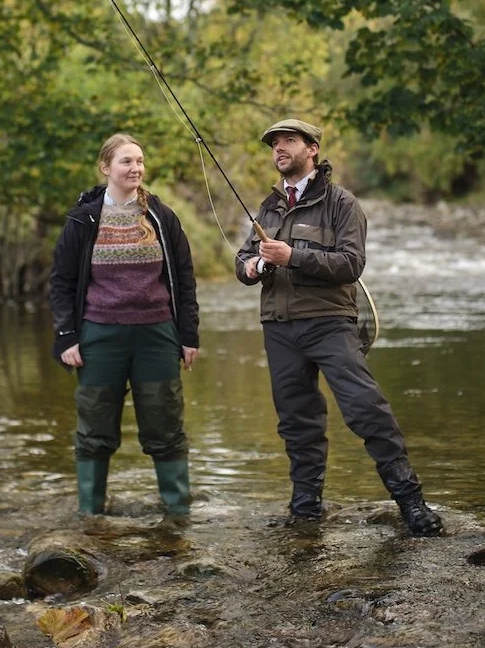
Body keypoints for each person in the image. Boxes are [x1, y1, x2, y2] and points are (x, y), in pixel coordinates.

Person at [236, 118, 443, 536]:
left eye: (288, 141)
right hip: (279, 326)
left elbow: (351, 265)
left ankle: (412, 503)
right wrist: (255, 265)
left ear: (311, 148)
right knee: (297, 420)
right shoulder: (269, 205)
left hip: (330, 324)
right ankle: (306, 508)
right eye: (274, 144)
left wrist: (291, 256)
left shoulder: (341, 203)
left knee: (367, 410)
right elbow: (243, 263)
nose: (279, 149)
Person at [50, 133, 200, 519]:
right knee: (94, 429)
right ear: (106, 168)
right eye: (126, 162)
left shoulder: (161, 217)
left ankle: (178, 515)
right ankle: (90, 516)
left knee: (166, 426)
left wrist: (188, 335)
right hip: (99, 335)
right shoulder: (83, 219)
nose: (136, 169)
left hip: (157, 335)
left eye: (140, 161)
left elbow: (183, 276)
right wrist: (67, 336)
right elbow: (62, 282)